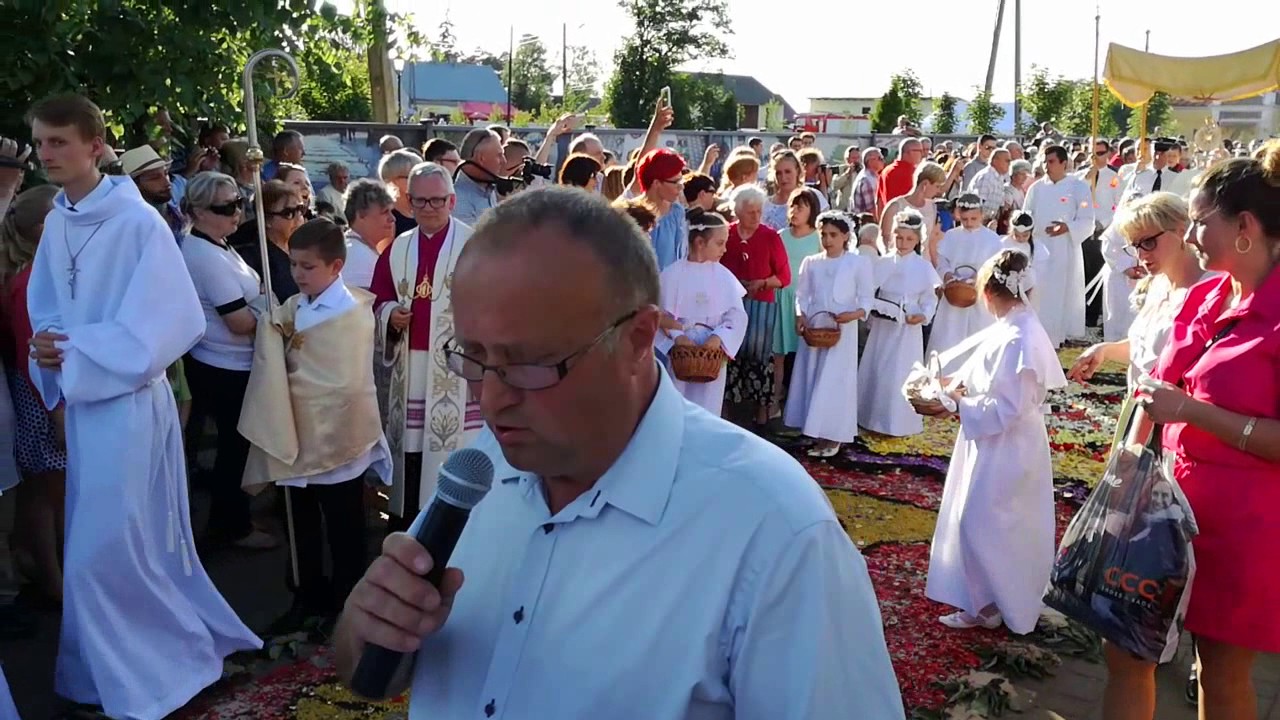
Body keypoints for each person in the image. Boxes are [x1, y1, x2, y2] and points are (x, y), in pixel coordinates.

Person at [333, 185, 906, 718]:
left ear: (636, 340)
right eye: (475, 356)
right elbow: (377, 674)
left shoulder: (775, 532)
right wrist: (369, 637)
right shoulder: (478, 471)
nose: (492, 397)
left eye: (530, 362)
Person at [25, 94, 260, 719]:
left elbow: (172, 320)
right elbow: (46, 306)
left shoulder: (137, 223)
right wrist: (46, 345)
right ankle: (105, 676)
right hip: (85, 403)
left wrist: (74, 352)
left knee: (108, 549)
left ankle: (147, 673)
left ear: (95, 146)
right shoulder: (56, 219)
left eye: (58, 142)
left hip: (128, 403)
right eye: (40, 142)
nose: (46, 154)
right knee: (104, 544)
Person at [1105, 140, 1280, 720]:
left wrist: (1191, 412)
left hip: (1245, 527)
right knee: (1124, 650)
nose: (1193, 235)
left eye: (1202, 222)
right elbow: (1163, 381)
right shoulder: (1206, 293)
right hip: (1166, 510)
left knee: (1221, 675)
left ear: (1246, 227)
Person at [239, 217, 392, 629]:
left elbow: (344, 383)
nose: (298, 275)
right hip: (294, 435)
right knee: (299, 526)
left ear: (336, 267)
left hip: (337, 438)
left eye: (308, 267)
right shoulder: (290, 309)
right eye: (293, 265)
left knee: (345, 527)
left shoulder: (352, 314)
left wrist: (291, 374)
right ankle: (306, 595)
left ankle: (349, 602)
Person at [924, 249, 1066, 632]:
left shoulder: (1021, 336)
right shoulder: (1012, 325)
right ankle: (987, 600)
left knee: (984, 520)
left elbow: (1008, 407)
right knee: (991, 520)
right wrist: (956, 387)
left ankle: (997, 602)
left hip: (1008, 443)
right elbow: (984, 375)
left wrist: (957, 402)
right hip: (995, 439)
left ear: (987, 293)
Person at [369, 162, 481, 533]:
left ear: (451, 200)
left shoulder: (475, 245)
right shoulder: (398, 248)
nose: (429, 208)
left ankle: (448, 524)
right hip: (411, 368)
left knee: (451, 452)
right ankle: (405, 521)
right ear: (409, 202)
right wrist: (389, 313)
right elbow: (378, 296)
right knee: (411, 450)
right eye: (420, 201)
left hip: (456, 370)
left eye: (437, 200)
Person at [784, 211, 874, 457]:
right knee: (813, 376)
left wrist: (853, 315)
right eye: (823, 234)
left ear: (846, 236)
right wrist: (801, 315)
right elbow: (801, 294)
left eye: (833, 235)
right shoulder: (812, 262)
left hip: (840, 330)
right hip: (816, 326)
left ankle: (834, 435)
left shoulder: (857, 263)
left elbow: (867, 298)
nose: (827, 240)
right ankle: (814, 430)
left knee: (835, 379)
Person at [858, 209, 941, 437]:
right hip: (884, 324)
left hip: (907, 326)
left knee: (900, 370)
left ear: (917, 240)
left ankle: (897, 422)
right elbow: (868, 290)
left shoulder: (923, 267)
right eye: (899, 237)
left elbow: (929, 298)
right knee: (879, 366)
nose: (903, 243)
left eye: (909, 239)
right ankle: (870, 416)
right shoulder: (882, 263)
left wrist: (923, 315)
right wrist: (875, 307)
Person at [656, 208, 746, 415]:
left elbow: (736, 316)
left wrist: (718, 338)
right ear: (699, 243)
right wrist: (678, 337)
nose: (725, 249)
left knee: (708, 408)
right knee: (678, 404)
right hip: (681, 355)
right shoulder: (672, 275)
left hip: (711, 356)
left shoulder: (725, 277)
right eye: (720, 243)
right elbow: (662, 316)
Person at [1021, 145, 1094, 346]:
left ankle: (1059, 334)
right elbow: (1026, 215)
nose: (1047, 166)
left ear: (1064, 163)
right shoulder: (1036, 188)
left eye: (1051, 161)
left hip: (1064, 248)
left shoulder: (1078, 187)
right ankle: (1038, 333)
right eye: (1044, 161)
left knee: (1061, 291)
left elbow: (1088, 219)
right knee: (1040, 290)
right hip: (1039, 247)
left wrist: (1068, 228)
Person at [927, 193, 1004, 357]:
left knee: (978, 331)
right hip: (954, 292)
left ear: (982, 215)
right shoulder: (952, 236)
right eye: (965, 219)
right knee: (950, 333)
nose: (969, 223)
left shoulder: (992, 239)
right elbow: (942, 260)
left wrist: (979, 279)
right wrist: (947, 275)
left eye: (973, 219)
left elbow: (994, 265)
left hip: (979, 294)